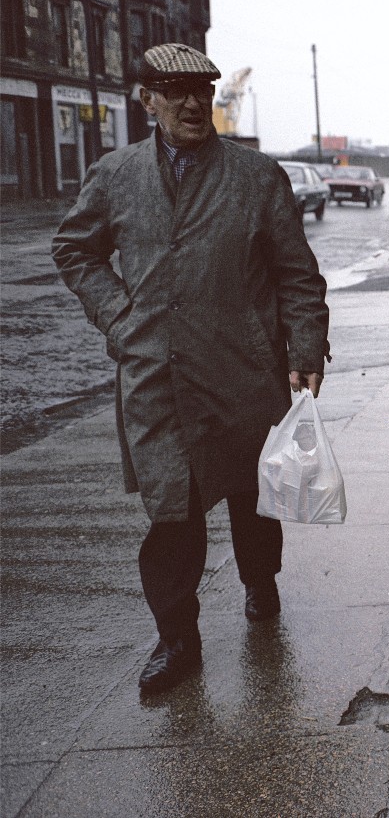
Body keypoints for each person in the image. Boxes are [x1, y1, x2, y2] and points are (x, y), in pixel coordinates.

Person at [50, 44, 330, 696]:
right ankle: (178, 637)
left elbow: (296, 275)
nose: (191, 101)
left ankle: (259, 579)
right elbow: (74, 248)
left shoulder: (258, 177)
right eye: (173, 90)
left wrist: (303, 351)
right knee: (171, 509)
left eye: (201, 89)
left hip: (241, 369)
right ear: (145, 99)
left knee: (249, 496)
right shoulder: (115, 175)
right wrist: (119, 318)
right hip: (154, 375)